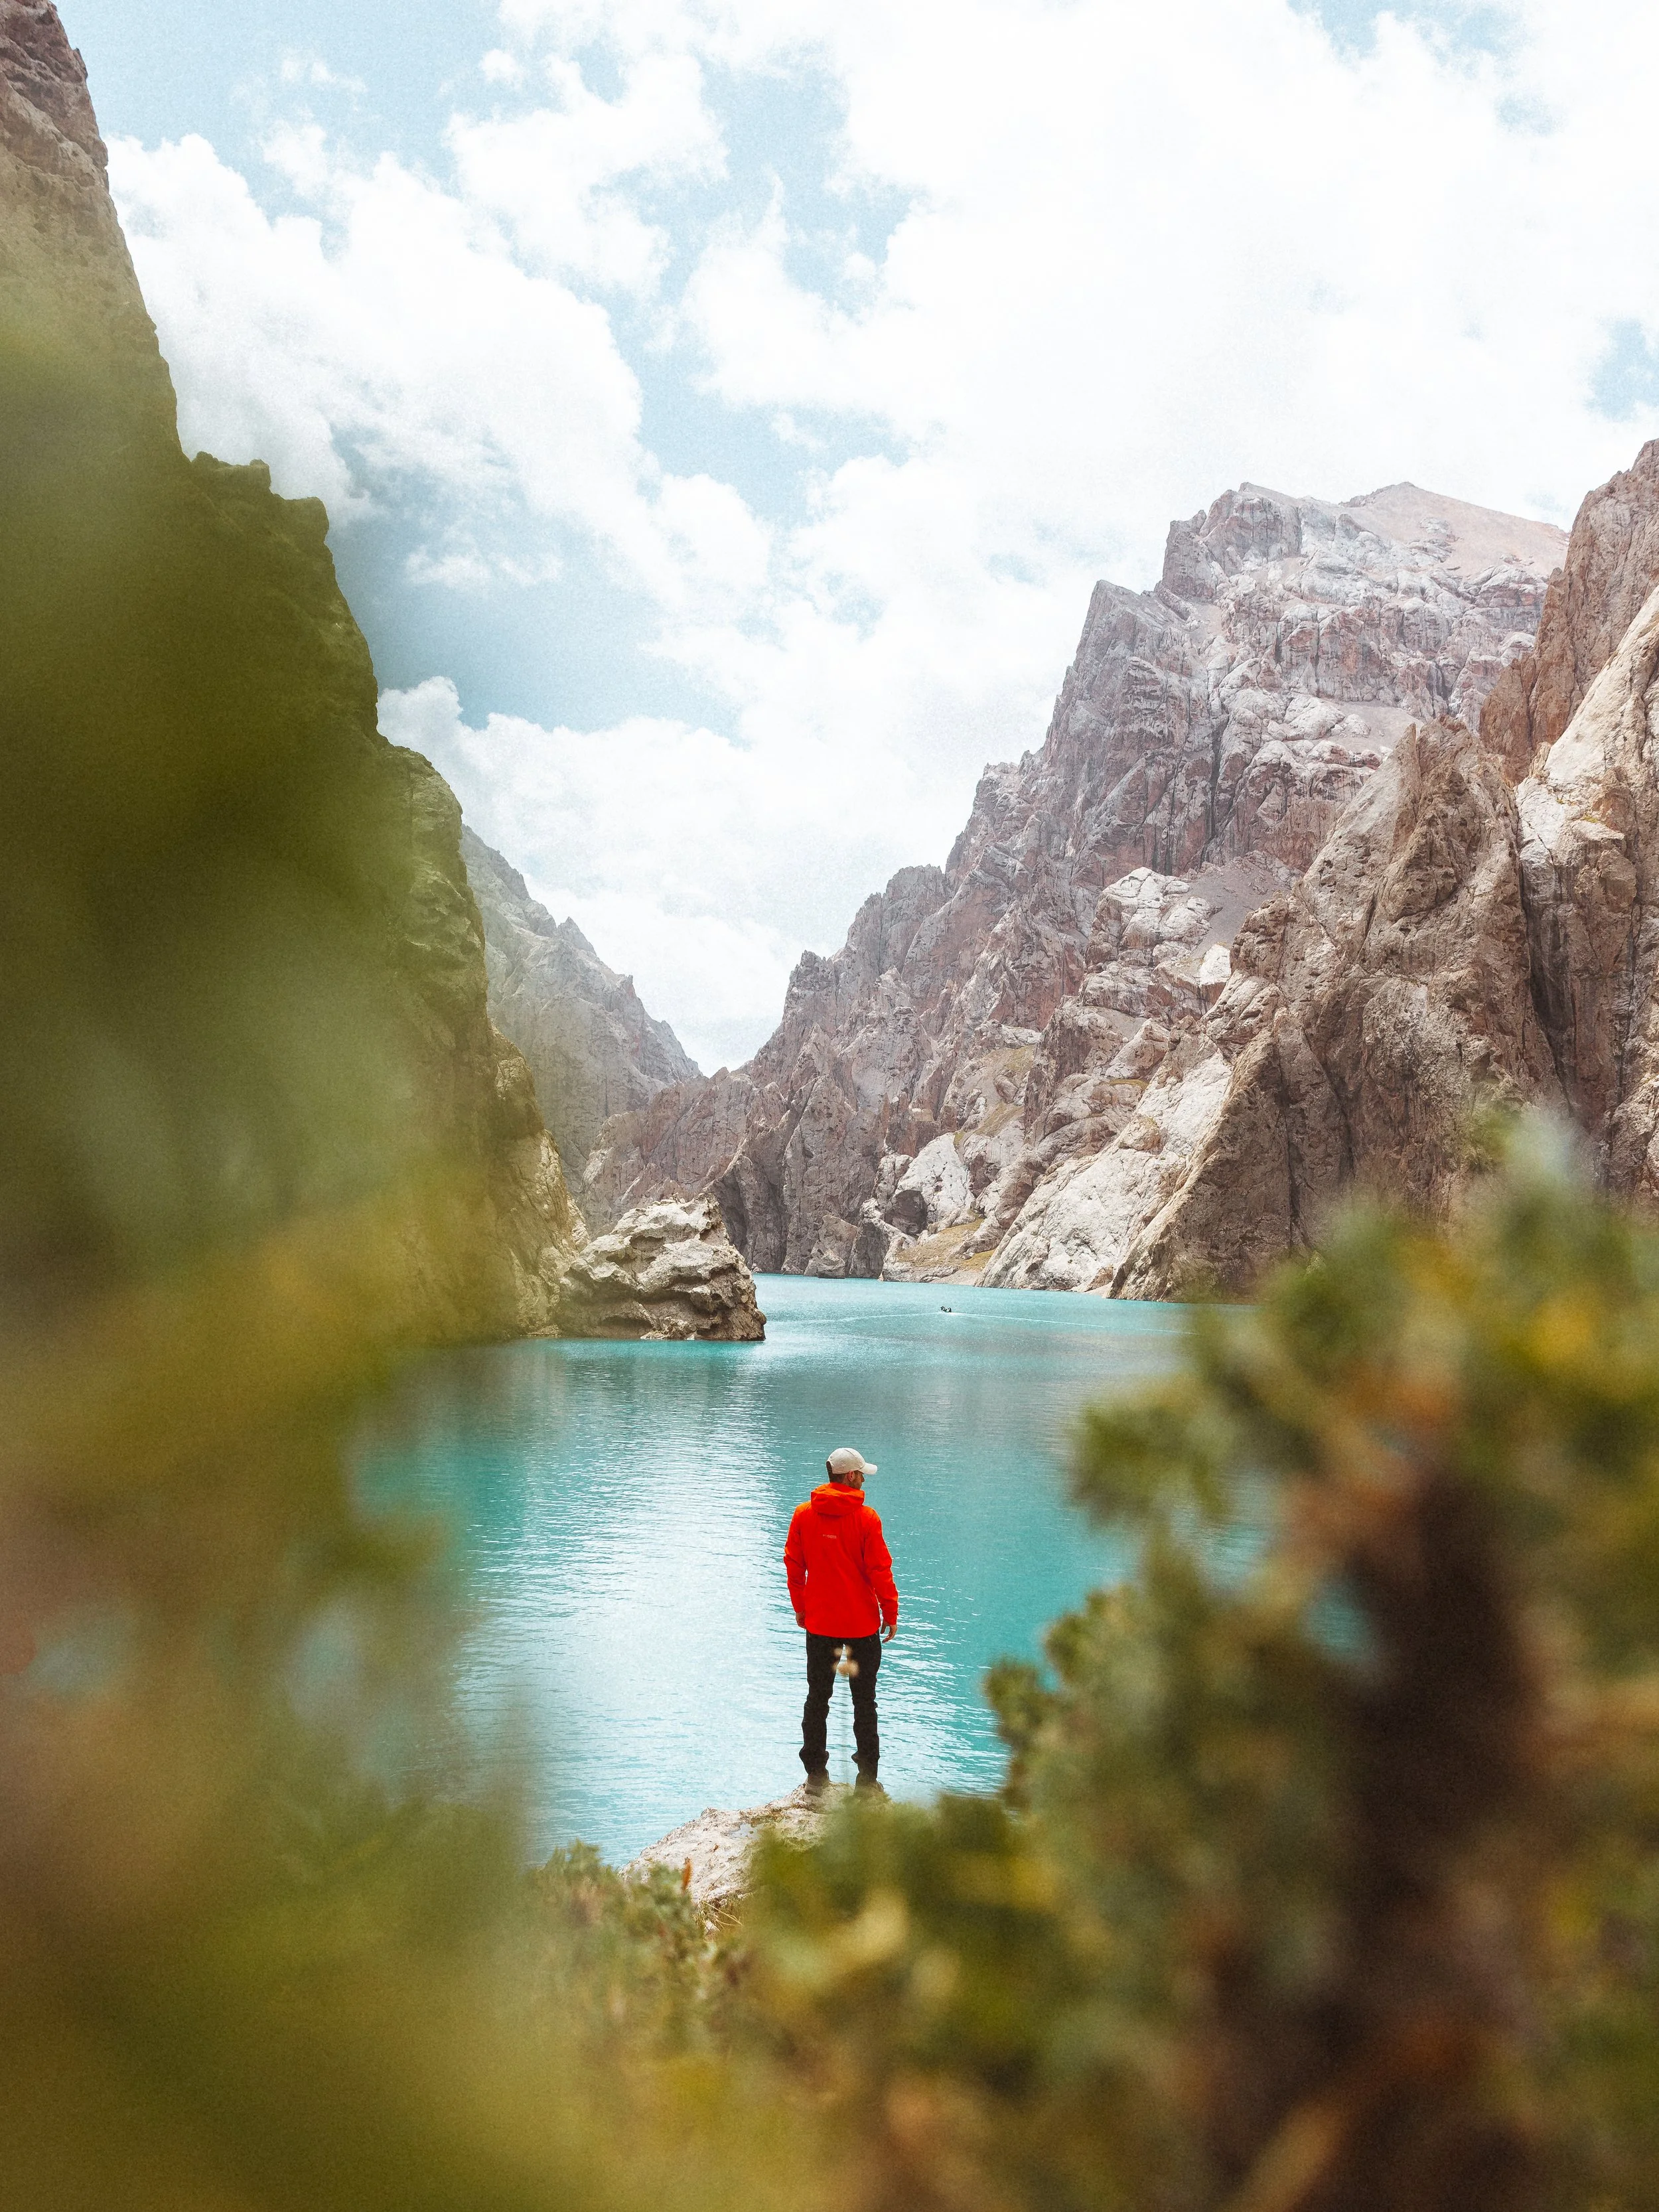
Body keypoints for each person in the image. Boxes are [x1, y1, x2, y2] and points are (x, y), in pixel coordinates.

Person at [784, 1445, 899, 1793]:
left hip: (820, 1626)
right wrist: (890, 1612)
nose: (864, 1480)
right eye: (862, 1474)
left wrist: (801, 1608)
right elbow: (880, 1570)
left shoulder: (803, 1515)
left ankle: (816, 1776)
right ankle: (866, 1782)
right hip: (862, 1629)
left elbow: (794, 1567)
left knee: (818, 1698)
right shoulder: (867, 1519)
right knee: (864, 1701)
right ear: (850, 1476)